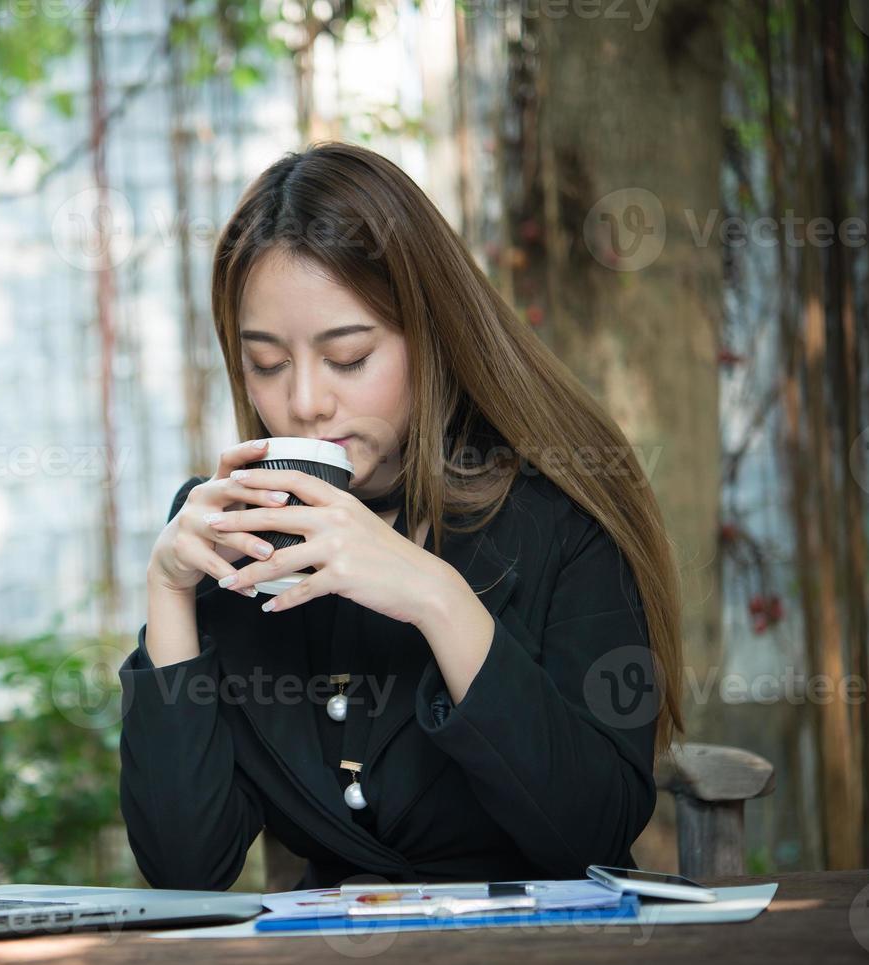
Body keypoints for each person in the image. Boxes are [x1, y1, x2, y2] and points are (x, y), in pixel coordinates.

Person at [118, 141, 685, 891]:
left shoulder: (558, 518)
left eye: (348, 357)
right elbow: (186, 870)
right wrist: (167, 593)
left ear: (432, 336)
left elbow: (590, 835)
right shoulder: (237, 537)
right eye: (266, 362)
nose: (305, 401)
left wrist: (436, 597)